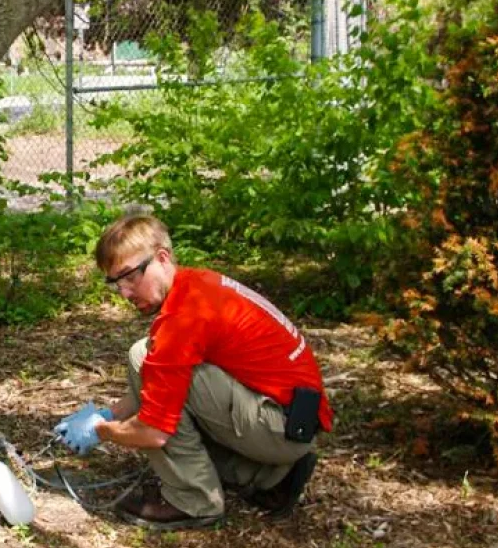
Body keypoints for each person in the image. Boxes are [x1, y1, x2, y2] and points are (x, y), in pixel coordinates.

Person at [52, 213, 334, 530]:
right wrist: (107, 413)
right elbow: (153, 383)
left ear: (162, 258)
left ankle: (193, 501)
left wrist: (102, 432)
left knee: (157, 368)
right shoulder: (198, 284)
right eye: (116, 283)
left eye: (131, 276)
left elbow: (153, 433)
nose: (125, 293)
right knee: (145, 355)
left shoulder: (183, 320)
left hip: (281, 427)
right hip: (292, 418)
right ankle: (271, 476)